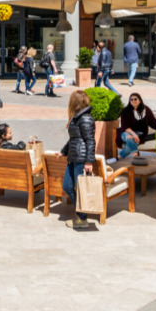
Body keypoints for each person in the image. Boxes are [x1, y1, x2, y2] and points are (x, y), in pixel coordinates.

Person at [57, 89, 96, 230]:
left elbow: (90, 141)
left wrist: (89, 162)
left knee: (80, 189)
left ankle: (82, 218)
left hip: (81, 158)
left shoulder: (85, 118)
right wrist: (63, 152)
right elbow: (74, 138)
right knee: (67, 186)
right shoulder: (77, 117)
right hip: (73, 156)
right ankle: (81, 215)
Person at [117, 93, 156, 160]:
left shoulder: (146, 110)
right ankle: (136, 156)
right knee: (129, 137)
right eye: (131, 99)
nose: (133, 101)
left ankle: (118, 157)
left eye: (135, 99)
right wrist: (134, 134)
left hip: (141, 134)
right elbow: (125, 127)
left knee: (131, 142)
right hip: (126, 132)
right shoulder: (125, 111)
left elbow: (153, 122)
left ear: (140, 100)